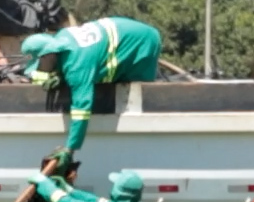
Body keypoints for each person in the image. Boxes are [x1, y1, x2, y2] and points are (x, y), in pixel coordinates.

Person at [18, 17, 162, 171]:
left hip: (143, 42)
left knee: (136, 89)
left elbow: (82, 108)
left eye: (38, 65)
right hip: (125, 30)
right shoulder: (62, 36)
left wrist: (70, 149)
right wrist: (59, 75)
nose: (39, 69)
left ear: (47, 55)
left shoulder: (77, 65)